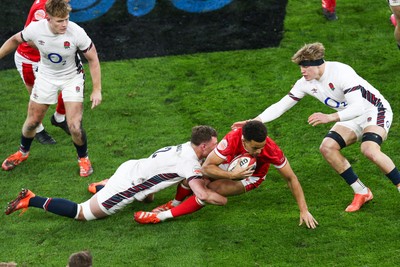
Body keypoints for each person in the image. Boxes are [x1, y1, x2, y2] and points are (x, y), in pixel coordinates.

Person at [232, 42, 400, 212]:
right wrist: (254, 121)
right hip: (348, 114)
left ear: (317, 65)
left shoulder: (341, 72)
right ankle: (361, 192)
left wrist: (329, 117)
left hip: (374, 110)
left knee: (369, 150)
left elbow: (358, 107)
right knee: (327, 148)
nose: (302, 71)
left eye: (305, 67)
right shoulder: (305, 83)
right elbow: (281, 105)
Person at [4, 126, 227, 221]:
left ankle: (101, 187)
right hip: (127, 184)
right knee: (83, 214)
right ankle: (31, 199)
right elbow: (202, 194)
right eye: (214, 144)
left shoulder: (186, 147)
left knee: (147, 193)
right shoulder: (190, 163)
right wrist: (224, 196)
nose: (216, 148)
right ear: (204, 146)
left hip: (130, 167)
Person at [134, 121, 318, 229]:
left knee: (212, 188)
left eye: (262, 147)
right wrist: (231, 174)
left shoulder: (270, 150)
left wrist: (303, 209)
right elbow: (207, 167)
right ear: (244, 140)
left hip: (251, 176)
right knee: (193, 176)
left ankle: (161, 217)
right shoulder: (231, 140)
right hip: (231, 166)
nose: (259, 152)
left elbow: (291, 178)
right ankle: (173, 203)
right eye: (255, 148)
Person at [0, 0, 102, 176]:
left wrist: (97, 89)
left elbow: (93, 58)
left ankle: (83, 159)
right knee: (32, 122)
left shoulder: (77, 32)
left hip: (72, 78)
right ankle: (22, 152)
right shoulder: (36, 28)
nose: (64, 25)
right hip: (46, 77)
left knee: (75, 127)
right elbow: (15, 40)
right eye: (59, 21)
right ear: (48, 18)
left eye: (67, 19)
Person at [15, 0, 71, 145]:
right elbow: (29, 39)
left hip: (47, 57)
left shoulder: (55, 5)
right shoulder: (42, 8)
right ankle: (38, 130)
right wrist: (55, 48)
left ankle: (59, 118)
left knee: (71, 82)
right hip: (30, 60)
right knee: (38, 98)